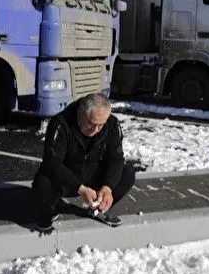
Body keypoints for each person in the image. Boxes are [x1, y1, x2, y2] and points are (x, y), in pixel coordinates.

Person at [32, 93, 136, 232]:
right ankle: (52, 208)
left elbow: (116, 159)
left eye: (101, 125)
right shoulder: (60, 124)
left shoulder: (111, 124)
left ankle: (99, 208)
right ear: (80, 114)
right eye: (92, 124)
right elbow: (52, 162)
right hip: (67, 178)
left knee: (127, 173)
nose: (96, 129)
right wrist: (79, 188)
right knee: (43, 183)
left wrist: (107, 187)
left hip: (93, 176)